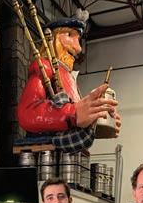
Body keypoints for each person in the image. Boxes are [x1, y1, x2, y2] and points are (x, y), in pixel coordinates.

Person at [17, 15, 121, 152]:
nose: (78, 48)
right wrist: (73, 112)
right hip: (44, 153)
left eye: (78, 39)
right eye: (70, 35)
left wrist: (96, 117)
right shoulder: (44, 67)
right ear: (53, 38)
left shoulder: (70, 78)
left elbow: (74, 124)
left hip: (69, 154)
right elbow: (27, 113)